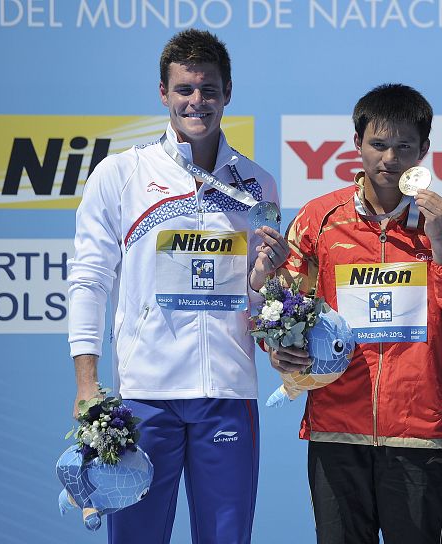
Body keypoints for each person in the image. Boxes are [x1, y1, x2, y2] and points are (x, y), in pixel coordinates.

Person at [67, 28, 288, 544]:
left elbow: (258, 299)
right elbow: (89, 279)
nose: (197, 101)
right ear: (163, 93)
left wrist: (264, 278)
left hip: (227, 394)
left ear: (227, 92)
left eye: (208, 89)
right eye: (184, 89)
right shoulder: (121, 174)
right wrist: (86, 382)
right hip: (146, 397)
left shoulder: (258, 184)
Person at [269, 83, 442, 543]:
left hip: (416, 428)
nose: (390, 158)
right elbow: (282, 306)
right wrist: (278, 349)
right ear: (357, 144)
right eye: (379, 144)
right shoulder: (319, 219)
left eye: (404, 146)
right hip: (335, 427)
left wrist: (441, 242)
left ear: (424, 150)